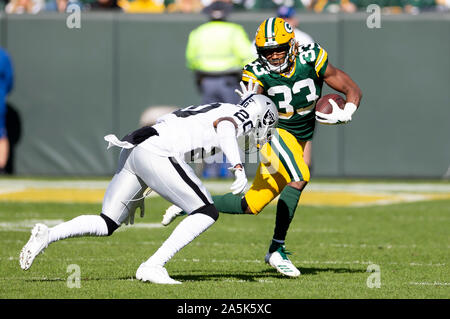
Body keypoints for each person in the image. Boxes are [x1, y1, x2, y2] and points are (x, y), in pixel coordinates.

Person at [163, 17, 362, 278]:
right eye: (268, 51)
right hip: (272, 136)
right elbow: (251, 105)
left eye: (279, 48)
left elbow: (350, 87)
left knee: (250, 204)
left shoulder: (311, 57)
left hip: (298, 137)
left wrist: (348, 110)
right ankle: (277, 249)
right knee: (300, 177)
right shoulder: (255, 71)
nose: (275, 55)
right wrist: (248, 105)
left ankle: (191, 201)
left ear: (291, 45)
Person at [19, 94, 278, 284]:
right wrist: (238, 167)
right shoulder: (240, 117)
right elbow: (225, 127)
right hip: (157, 151)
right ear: (262, 116)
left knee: (107, 222)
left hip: (138, 146)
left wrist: (147, 181)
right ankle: (153, 265)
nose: (265, 133)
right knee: (207, 212)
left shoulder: (223, 107)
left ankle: (48, 234)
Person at [185, 0, 256, 178]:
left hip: (207, 80)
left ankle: (211, 169)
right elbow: (247, 57)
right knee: (232, 124)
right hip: (229, 81)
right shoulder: (234, 31)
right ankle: (231, 167)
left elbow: (190, 58)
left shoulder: (198, 32)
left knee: (209, 125)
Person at [0, 48, 14, 174]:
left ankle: (1, 167)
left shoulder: (2, 56)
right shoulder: (3, 55)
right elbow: (9, 81)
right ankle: (2, 168)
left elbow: (9, 81)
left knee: (1, 134)